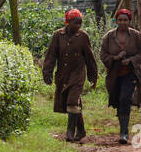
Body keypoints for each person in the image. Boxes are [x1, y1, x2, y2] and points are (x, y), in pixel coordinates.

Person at [43, 8, 100, 143]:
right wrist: (47, 73)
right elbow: (51, 56)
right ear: (67, 22)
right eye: (76, 23)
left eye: (80, 23)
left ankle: (70, 132)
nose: (78, 26)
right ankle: (81, 131)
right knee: (73, 103)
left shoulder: (83, 37)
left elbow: (90, 59)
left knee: (72, 101)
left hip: (78, 74)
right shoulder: (58, 36)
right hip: (63, 75)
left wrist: (93, 77)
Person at [99, 8, 141, 145]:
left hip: (131, 73)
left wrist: (131, 60)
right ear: (116, 21)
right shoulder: (109, 36)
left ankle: (124, 132)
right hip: (114, 74)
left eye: (125, 20)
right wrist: (115, 58)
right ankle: (122, 127)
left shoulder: (137, 36)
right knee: (117, 100)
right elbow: (103, 54)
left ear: (129, 21)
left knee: (125, 98)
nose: (122, 22)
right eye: (120, 20)